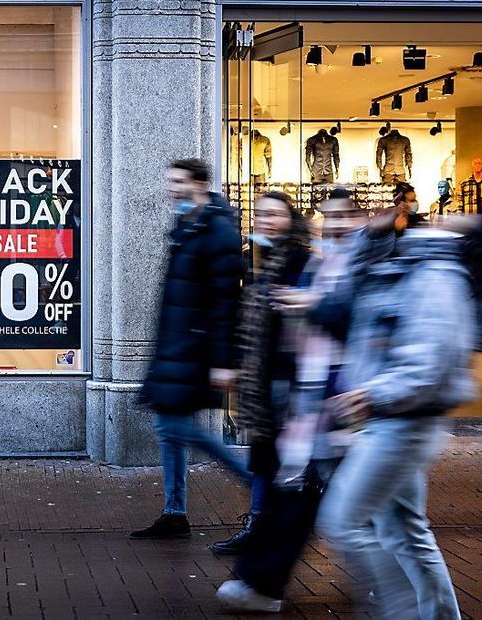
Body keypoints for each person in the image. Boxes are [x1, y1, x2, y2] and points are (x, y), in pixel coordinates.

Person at [312, 213, 480, 619]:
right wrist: (369, 236)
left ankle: (400, 612)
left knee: (343, 521)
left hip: (403, 421)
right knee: (404, 531)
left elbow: (428, 364)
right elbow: (355, 285)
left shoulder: (434, 278)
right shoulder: (403, 270)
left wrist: (372, 394)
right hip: (395, 419)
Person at [217, 189, 370, 613]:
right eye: (330, 216)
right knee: (298, 494)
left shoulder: (345, 263)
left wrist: (311, 306)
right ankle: (262, 581)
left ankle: (265, 581)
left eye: (346, 216)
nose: (335, 224)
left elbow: (353, 317)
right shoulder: (316, 262)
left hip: (349, 402)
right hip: (316, 399)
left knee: (351, 507)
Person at [131, 158, 252, 540]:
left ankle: (257, 483)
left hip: (195, 347)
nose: (171, 188)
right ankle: (174, 511)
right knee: (169, 428)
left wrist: (222, 361)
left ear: (197, 184)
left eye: (177, 181)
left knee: (176, 426)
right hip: (178, 343)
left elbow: (225, 302)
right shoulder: (188, 225)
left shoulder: (217, 231)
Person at [210, 191, 312, 556]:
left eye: (274, 214)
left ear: (290, 218)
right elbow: (244, 318)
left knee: (281, 462)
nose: (265, 220)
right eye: (261, 214)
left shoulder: (300, 260)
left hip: (286, 380)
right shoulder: (255, 259)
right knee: (265, 457)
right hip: (260, 379)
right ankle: (259, 525)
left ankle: (273, 530)